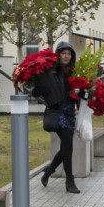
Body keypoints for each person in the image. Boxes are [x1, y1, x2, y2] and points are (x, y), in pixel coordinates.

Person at [36, 42, 81, 194]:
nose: (66, 56)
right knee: (68, 144)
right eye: (64, 53)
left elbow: (79, 92)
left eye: (69, 53)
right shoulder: (51, 71)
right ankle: (70, 180)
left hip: (70, 112)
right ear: (58, 55)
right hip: (58, 112)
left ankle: (49, 171)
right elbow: (39, 89)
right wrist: (39, 90)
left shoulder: (74, 71)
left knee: (66, 147)